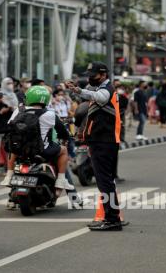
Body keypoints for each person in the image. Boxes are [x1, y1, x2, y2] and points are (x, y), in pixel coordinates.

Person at [67, 61, 123, 231]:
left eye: (94, 75)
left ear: (103, 75)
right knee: (105, 181)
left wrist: (79, 90)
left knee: (104, 181)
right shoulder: (97, 88)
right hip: (101, 140)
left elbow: (99, 97)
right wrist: (76, 89)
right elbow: (89, 95)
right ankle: (111, 217)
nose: (90, 78)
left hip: (104, 141)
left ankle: (112, 219)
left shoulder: (107, 90)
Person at [0, 86, 74, 193]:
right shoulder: (50, 114)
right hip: (42, 151)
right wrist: (67, 137)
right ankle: (61, 180)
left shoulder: (18, 111)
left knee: (13, 148)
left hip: (21, 149)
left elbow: (9, 127)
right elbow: (62, 132)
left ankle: (8, 175)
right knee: (64, 150)